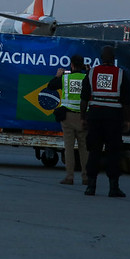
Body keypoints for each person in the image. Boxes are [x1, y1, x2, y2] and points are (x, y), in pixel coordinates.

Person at [81, 45, 130, 197]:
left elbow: (84, 98)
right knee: (113, 152)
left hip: (95, 116)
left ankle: (91, 186)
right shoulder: (121, 74)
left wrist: (83, 117)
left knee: (94, 151)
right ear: (113, 58)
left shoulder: (92, 73)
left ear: (101, 58)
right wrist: (127, 120)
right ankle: (113, 187)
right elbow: (127, 101)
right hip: (113, 117)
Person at [48, 54, 89, 186]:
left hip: (68, 117)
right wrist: (88, 72)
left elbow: (51, 86)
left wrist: (57, 75)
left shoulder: (65, 78)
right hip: (83, 117)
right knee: (84, 148)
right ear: (82, 65)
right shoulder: (87, 78)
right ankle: (86, 177)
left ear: (71, 65)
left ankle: (70, 177)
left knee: (69, 148)